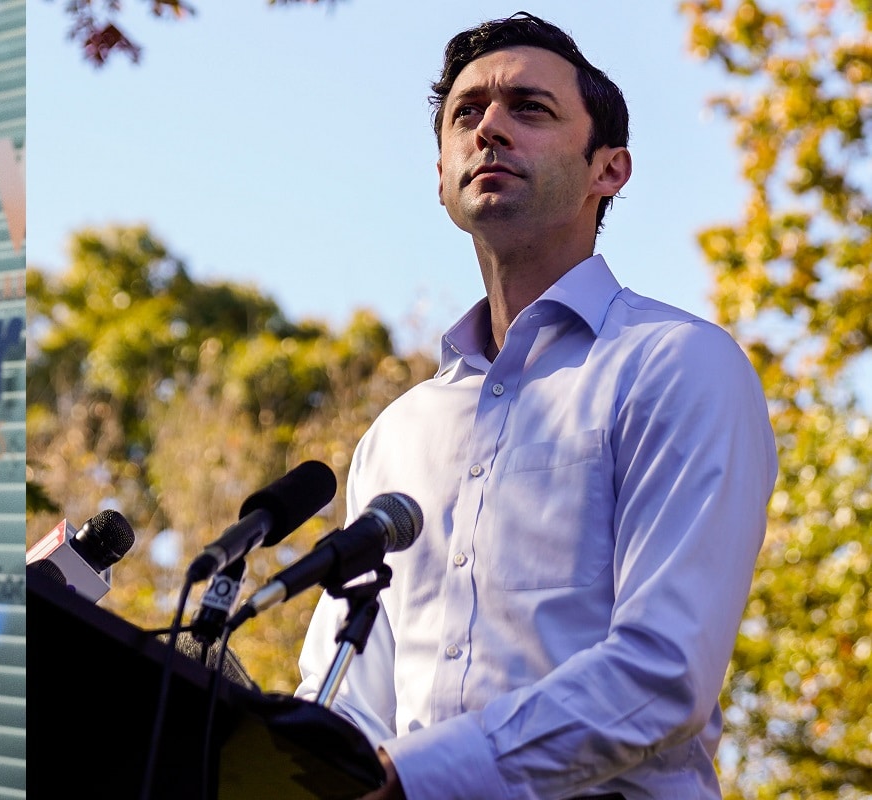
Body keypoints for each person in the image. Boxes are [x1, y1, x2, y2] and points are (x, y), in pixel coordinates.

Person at [295, 13, 776, 799]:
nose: (489, 128)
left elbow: (664, 671)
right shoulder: (399, 434)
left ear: (609, 170)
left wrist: (420, 777)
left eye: (530, 108)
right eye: (466, 114)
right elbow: (345, 692)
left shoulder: (678, 366)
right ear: (441, 174)